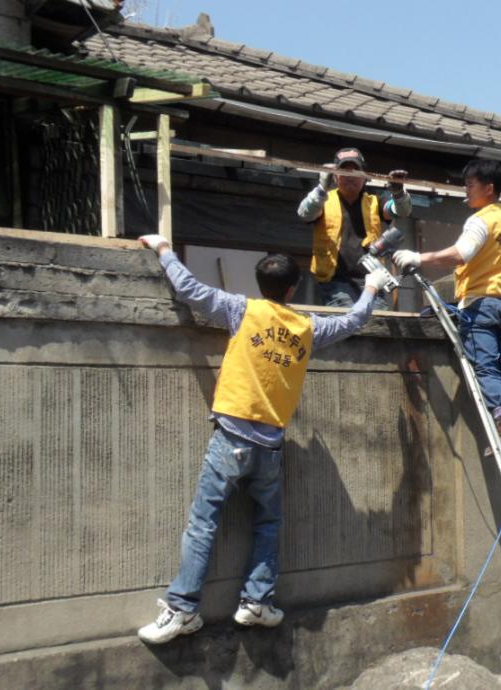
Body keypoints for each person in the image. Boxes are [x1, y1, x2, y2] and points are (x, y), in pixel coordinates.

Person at [135, 234, 393, 644]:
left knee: (203, 524)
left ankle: (183, 609)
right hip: (270, 446)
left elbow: (188, 290)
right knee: (268, 522)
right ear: (293, 290)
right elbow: (353, 320)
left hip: (230, 438)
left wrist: (164, 248)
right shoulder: (307, 327)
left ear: (260, 285)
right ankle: (256, 602)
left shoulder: (241, 309)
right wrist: (373, 288)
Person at [391, 158, 501, 450]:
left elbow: (461, 254)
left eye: (470, 184)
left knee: (487, 368)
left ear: (488, 188)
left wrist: (419, 257)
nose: (466, 189)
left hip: (481, 305)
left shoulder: (480, 220)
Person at [297, 147, 411, 309]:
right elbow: (305, 214)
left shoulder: (375, 202)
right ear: (335, 176)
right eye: (345, 169)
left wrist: (398, 192)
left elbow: (400, 211)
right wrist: (322, 187)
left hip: (373, 280)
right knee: (347, 323)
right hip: (336, 282)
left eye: (355, 170)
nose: (350, 175)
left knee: (377, 324)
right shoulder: (323, 201)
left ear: (364, 176)